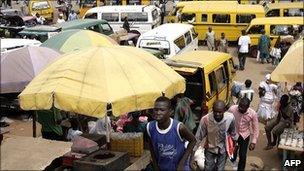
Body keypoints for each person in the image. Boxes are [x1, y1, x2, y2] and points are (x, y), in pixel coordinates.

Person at [146, 96, 196, 170]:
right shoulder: (149, 127)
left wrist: (182, 163)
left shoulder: (179, 127)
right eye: (156, 110)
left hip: (179, 166)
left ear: (170, 112)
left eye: (162, 110)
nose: (158, 113)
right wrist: (155, 165)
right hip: (162, 166)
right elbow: (151, 147)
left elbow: (193, 140)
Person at [191, 100, 236, 171]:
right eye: (215, 111)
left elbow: (233, 132)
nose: (217, 114)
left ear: (224, 110)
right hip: (210, 148)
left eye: (220, 112)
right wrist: (192, 154)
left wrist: (234, 145)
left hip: (223, 149)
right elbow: (198, 137)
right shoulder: (205, 120)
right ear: (212, 109)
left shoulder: (230, 118)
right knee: (208, 168)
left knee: (220, 169)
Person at [228, 97, 259, 171]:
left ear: (248, 107)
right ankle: (233, 164)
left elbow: (256, 128)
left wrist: (253, 142)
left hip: (244, 136)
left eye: (243, 107)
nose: (240, 108)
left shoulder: (253, 114)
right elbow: (226, 120)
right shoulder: (232, 109)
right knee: (232, 154)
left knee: (242, 156)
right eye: (239, 106)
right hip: (233, 135)